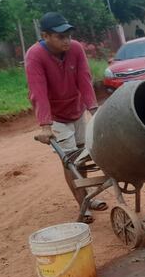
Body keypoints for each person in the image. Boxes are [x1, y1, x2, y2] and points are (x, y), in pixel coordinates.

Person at [27, 12, 105, 222]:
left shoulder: (76, 49)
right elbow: (38, 92)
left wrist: (94, 110)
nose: (67, 41)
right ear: (45, 36)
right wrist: (45, 125)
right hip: (56, 117)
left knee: (82, 156)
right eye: (61, 37)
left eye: (69, 35)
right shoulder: (35, 55)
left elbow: (84, 80)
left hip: (76, 109)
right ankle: (84, 205)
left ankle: (87, 196)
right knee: (70, 160)